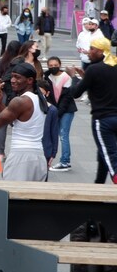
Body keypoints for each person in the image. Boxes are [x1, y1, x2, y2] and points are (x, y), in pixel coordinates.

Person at [65, 37, 117, 183]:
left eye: (92, 49)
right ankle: (98, 184)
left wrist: (73, 77)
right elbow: (103, 86)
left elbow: (75, 93)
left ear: (101, 51)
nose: (89, 52)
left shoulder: (93, 69)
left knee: (111, 156)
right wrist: (85, 78)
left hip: (103, 120)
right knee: (104, 152)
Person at [0, 62, 48, 181]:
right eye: (12, 76)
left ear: (30, 80)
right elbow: (15, 121)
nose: (13, 80)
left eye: (17, 77)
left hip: (21, 158)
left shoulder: (20, 101)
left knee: (13, 197)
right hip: (38, 157)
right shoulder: (38, 99)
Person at [47, 57, 78, 172]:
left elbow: (66, 99)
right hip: (56, 109)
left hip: (67, 110)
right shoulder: (48, 77)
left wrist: (57, 114)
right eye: (50, 65)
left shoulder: (66, 77)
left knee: (63, 134)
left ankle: (65, 161)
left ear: (60, 65)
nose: (53, 67)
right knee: (55, 134)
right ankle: (51, 158)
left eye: (55, 64)